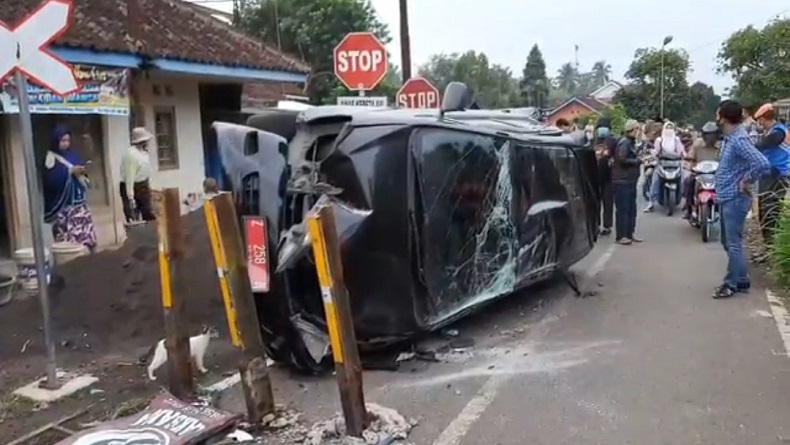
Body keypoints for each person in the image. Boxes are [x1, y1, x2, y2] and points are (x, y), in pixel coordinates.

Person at [713, 100, 771, 299]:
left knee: (733, 242)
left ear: (724, 116)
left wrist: (747, 180)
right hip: (726, 196)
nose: (716, 116)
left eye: (718, 113)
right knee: (727, 242)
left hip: (735, 198)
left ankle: (731, 283)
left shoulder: (739, 139)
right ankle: (741, 278)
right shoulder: (730, 138)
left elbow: (763, 163)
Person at [41, 125, 98, 252]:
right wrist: (69, 172)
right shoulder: (51, 158)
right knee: (68, 241)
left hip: (79, 205)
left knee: (85, 234)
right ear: (56, 141)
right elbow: (50, 181)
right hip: (64, 208)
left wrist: (82, 170)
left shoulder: (72, 155)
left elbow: (80, 171)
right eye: (63, 141)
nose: (66, 143)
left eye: (68, 140)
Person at [752, 103, 790, 249]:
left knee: (771, 211)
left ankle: (771, 249)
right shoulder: (772, 131)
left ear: (763, 118)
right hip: (768, 174)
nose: (759, 124)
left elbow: (762, 145)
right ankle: (768, 248)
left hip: (778, 175)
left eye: (760, 120)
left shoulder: (779, 132)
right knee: (764, 211)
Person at [612, 119, 643, 245]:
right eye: (637, 129)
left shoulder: (630, 143)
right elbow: (622, 159)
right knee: (623, 209)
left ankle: (629, 233)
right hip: (622, 181)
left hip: (630, 180)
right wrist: (638, 161)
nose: (639, 132)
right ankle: (621, 236)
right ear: (633, 129)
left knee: (631, 209)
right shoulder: (624, 143)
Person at [644, 121, 686, 212]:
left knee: (683, 179)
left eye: (671, 128)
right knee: (655, 181)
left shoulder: (676, 140)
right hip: (662, 163)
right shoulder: (659, 140)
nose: (669, 130)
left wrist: (685, 156)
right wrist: (652, 154)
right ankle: (651, 202)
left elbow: (681, 150)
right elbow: (656, 150)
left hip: (675, 164)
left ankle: (686, 202)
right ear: (664, 129)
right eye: (667, 128)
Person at [683, 122, 720, 218]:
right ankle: (689, 207)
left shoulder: (721, 146)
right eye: (708, 135)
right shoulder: (697, 144)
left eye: (712, 135)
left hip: (716, 174)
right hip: (699, 173)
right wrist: (690, 165)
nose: (710, 138)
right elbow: (690, 157)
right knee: (688, 181)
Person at [120, 127, 155, 222]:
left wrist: (149, 186)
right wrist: (131, 197)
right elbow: (129, 176)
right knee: (133, 217)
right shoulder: (131, 154)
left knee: (148, 213)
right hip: (132, 186)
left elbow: (146, 171)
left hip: (143, 185)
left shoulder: (144, 153)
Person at [594, 118, 617, 236]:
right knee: (595, 202)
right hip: (594, 176)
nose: (602, 129)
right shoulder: (592, 141)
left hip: (609, 176)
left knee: (608, 202)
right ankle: (595, 225)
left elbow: (617, 157)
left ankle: (607, 226)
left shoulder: (613, 141)